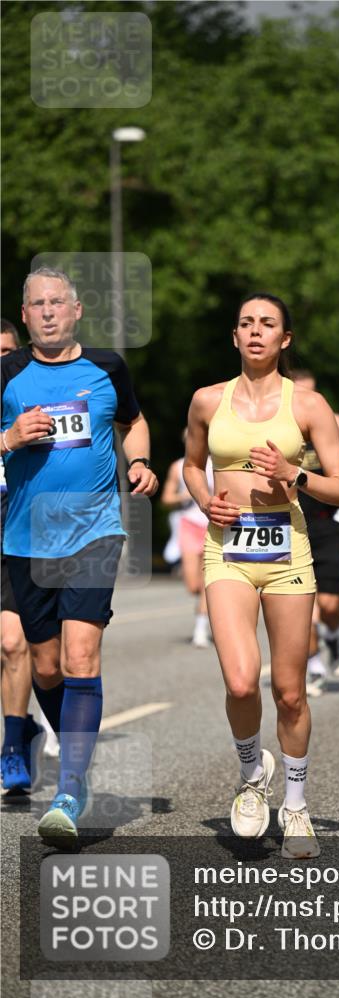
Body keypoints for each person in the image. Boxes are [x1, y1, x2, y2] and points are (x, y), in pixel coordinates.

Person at [183, 294, 339, 858]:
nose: (256, 332)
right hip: (227, 552)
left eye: (269, 325)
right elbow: (190, 463)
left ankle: (297, 806)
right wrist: (207, 498)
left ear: (285, 340)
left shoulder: (308, 406)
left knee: (289, 693)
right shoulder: (208, 401)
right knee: (239, 680)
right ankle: (253, 774)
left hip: (288, 557)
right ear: (235, 337)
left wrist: (292, 473)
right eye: (247, 323)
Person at [1, 268, 158, 844]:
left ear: (75, 311)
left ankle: (70, 787)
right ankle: (67, 740)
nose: (47, 312)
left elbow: (134, 422)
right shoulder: (7, 373)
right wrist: (9, 439)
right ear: (25, 315)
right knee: (44, 666)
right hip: (25, 538)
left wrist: (138, 462)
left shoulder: (108, 367)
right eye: (36, 304)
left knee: (81, 654)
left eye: (56, 303)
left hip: (94, 531)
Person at [290, 370, 339, 689]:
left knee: (330, 604)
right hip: (292, 521)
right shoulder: (276, 422)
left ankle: (334, 634)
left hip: (328, 518)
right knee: (302, 602)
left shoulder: (334, 421)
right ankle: (314, 662)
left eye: (311, 393)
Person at [1, 319, 45, 793]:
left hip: (21, 532)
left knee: (13, 643)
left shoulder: (38, 405)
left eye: (8, 354)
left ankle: (13, 743)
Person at [161, 432, 214, 648]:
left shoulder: (218, 464)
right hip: (189, 526)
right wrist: (188, 494)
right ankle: (203, 609)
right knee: (193, 584)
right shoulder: (178, 467)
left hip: (213, 525)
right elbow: (166, 498)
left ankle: (200, 629)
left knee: (207, 583)